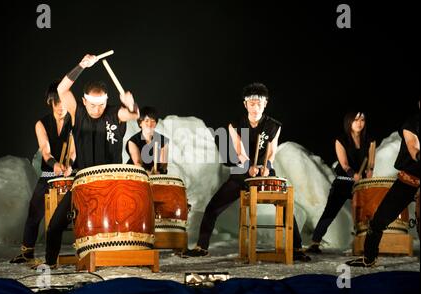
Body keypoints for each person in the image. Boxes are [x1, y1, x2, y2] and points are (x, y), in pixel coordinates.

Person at [184, 82, 310, 261]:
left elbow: (272, 151)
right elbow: (238, 150)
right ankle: (201, 246)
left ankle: (296, 248)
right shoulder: (235, 124)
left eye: (259, 103)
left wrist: (266, 166)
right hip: (243, 170)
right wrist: (248, 165)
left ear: (265, 103)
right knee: (213, 207)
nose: (255, 107)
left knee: (284, 205)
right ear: (245, 104)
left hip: (265, 171)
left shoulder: (274, 125)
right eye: (251, 103)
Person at [43, 54, 140, 267]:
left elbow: (133, 115)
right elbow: (61, 90)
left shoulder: (114, 114)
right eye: (92, 105)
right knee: (55, 225)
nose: (97, 110)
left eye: (101, 105)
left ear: (106, 101)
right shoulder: (78, 112)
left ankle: (126, 257)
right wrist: (81, 65)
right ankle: (50, 264)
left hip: (112, 183)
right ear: (84, 101)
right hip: (84, 183)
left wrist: (132, 105)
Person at [346, 102, 419, 267]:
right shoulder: (412, 124)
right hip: (409, 180)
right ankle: (369, 258)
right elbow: (413, 148)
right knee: (378, 222)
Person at [10, 80, 75, 263]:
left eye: (63, 102)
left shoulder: (74, 122)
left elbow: (73, 150)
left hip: (69, 176)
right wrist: (54, 164)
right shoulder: (42, 124)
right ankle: (27, 251)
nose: (61, 107)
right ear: (50, 102)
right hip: (48, 175)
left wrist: (69, 164)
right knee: (34, 213)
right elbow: (45, 150)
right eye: (57, 103)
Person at [305, 112, 376, 254]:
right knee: (330, 212)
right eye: (356, 120)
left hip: (360, 184)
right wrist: (353, 174)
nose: (359, 123)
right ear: (349, 122)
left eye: (362, 119)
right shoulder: (341, 140)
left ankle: (365, 243)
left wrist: (368, 173)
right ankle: (315, 242)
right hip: (343, 182)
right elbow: (344, 164)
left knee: (364, 214)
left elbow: (371, 163)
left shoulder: (370, 141)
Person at [126, 106, 169, 174]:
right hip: (136, 175)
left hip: (157, 175)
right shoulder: (132, 141)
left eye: (153, 121)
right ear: (140, 123)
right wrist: (147, 173)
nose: (150, 124)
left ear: (156, 123)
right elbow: (137, 162)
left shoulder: (163, 140)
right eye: (146, 121)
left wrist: (159, 171)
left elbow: (163, 164)